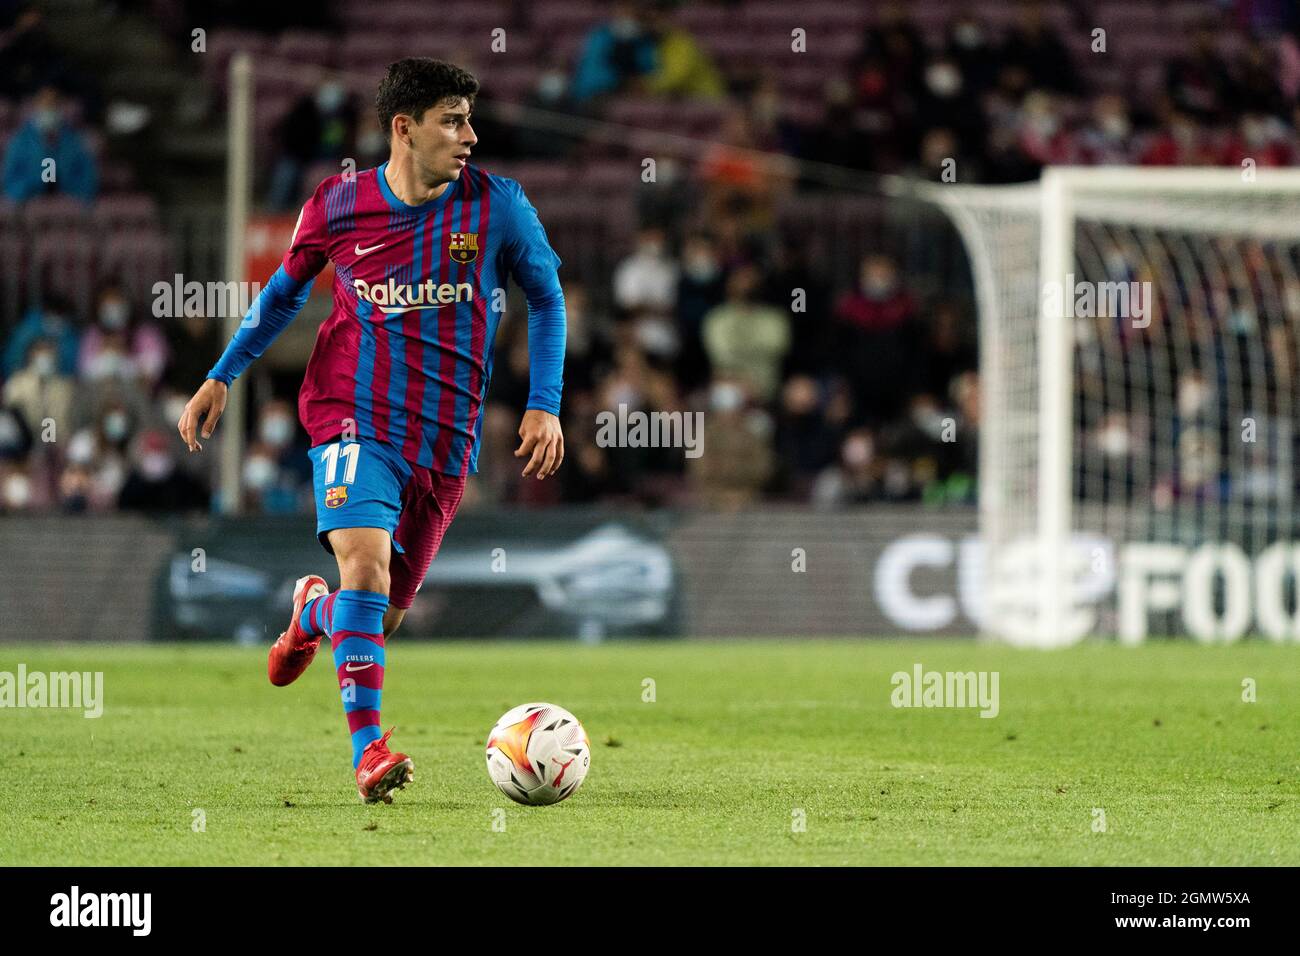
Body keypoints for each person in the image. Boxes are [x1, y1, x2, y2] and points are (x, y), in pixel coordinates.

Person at [176, 59, 566, 805]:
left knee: (376, 614)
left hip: (445, 442)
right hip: (352, 413)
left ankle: (311, 614)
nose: (469, 137)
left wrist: (544, 402)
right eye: (452, 121)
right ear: (404, 128)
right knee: (367, 568)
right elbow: (282, 296)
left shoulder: (500, 208)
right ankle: (368, 752)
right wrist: (222, 374)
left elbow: (547, 300)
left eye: (469, 120)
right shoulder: (338, 207)